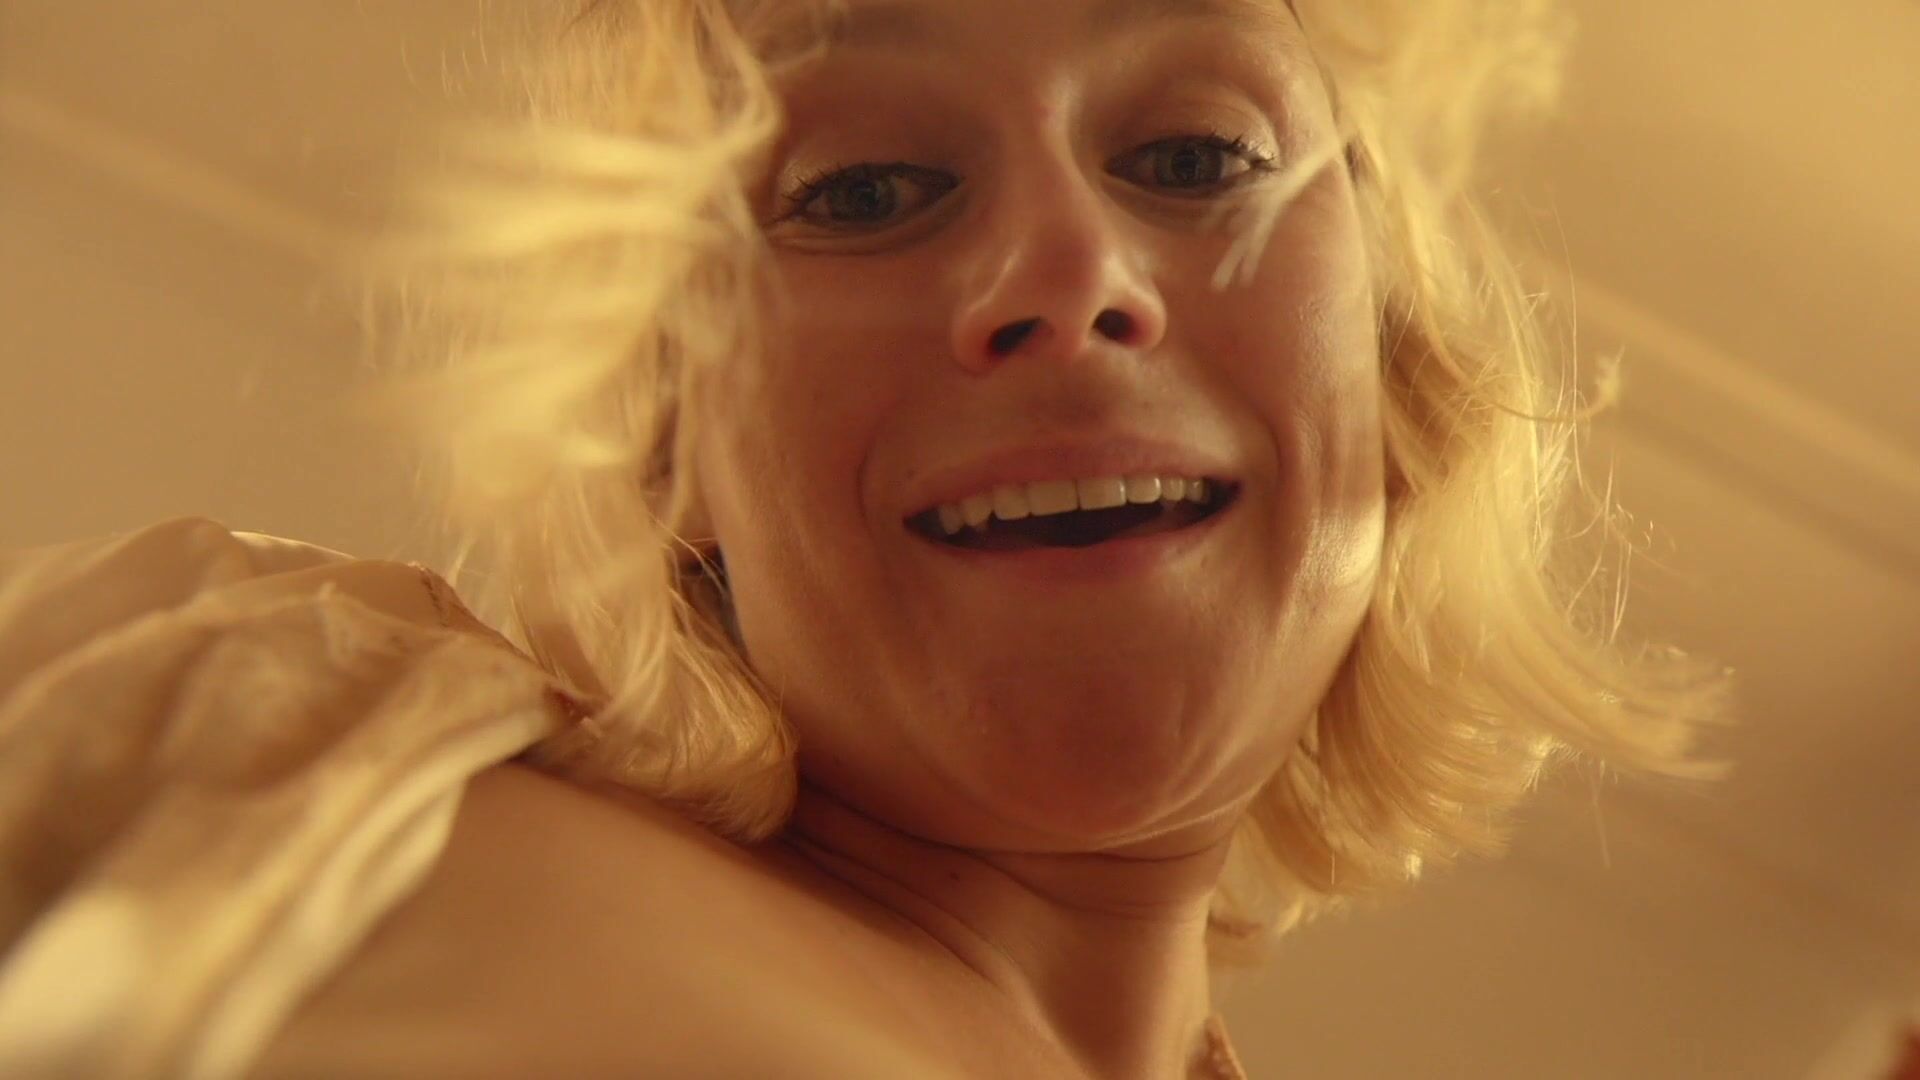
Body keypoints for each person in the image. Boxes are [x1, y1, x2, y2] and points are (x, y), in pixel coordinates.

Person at [0, 0, 1738, 1076]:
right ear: (664, 435)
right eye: (864, 190)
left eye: (1200, 156)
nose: (1070, 277)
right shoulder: (266, 730)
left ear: (1396, 370)